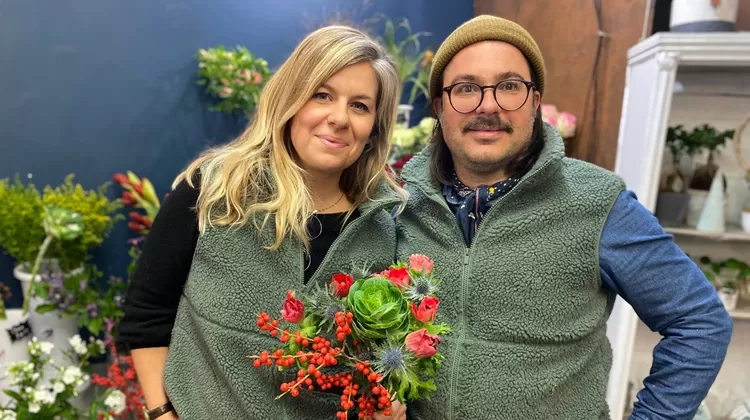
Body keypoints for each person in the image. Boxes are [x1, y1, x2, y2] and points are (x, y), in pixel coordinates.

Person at [394, 15, 733, 420]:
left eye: (509, 86)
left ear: (535, 102)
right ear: (440, 106)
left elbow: (699, 320)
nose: (488, 105)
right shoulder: (400, 201)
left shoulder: (597, 203)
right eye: (466, 88)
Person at [117, 25, 409, 420]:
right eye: (322, 95)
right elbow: (146, 315)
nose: (339, 118)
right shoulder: (215, 190)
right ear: (292, 99)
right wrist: (161, 413)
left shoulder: (381, 227)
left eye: (360, 105)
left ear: (374, 127)